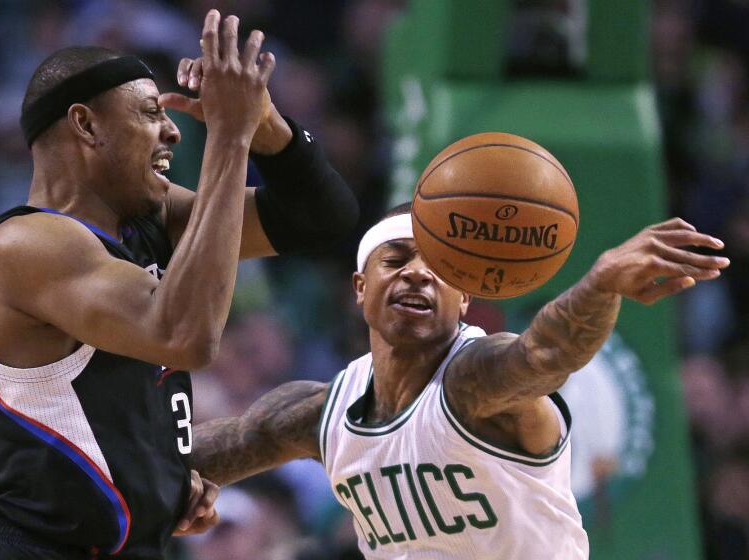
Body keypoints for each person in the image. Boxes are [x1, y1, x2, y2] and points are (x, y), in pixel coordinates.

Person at [0, 9, 358, 560]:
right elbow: (185, 336)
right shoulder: (27, 246)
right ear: (86, 125)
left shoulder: (153, 221)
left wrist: (267, 127)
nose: (173, 128)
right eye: (148, 112)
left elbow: (323, 218)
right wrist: (229, 137)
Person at [189, 202, 730, 559]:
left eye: (440, 268)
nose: (418, 273)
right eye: (395, 259)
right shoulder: (319, 412)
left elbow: (545, 352)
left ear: (464, 298)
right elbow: (212, 451)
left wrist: (600, 284)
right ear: (359, 287)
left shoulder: (476, 376)